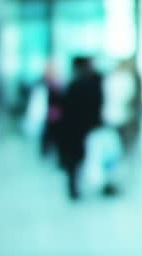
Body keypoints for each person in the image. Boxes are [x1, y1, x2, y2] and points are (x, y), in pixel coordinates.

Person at [57, 57, 103, 200]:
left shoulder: (74, 85)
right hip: (79, 129)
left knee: (75, 159)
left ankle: (74, 186)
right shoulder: (85, 85)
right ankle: (74, 186)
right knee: (76, 158)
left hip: (73, 129)